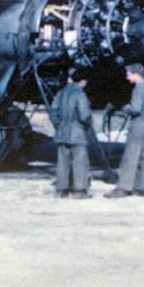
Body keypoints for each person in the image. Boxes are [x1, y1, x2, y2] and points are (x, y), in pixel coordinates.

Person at [105, 63, 144, 198]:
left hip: (139, 124)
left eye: (129, 75)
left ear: (136, 74)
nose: (127, 78)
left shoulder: (138, 89)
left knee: (130, 156)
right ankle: (141, 188)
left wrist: (123, 107)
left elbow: (135, 109)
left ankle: (123, 188)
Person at [50, 67, 93, 199]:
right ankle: (79, 190)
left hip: (62, 131)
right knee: (79, 161)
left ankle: (61, 190)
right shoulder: (80, 93)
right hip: (77, 131)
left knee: (62, 161)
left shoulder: (61, 93)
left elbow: (53, 112)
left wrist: (59, 126)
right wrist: (86, 124)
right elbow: (84, 115)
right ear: (83, 81)